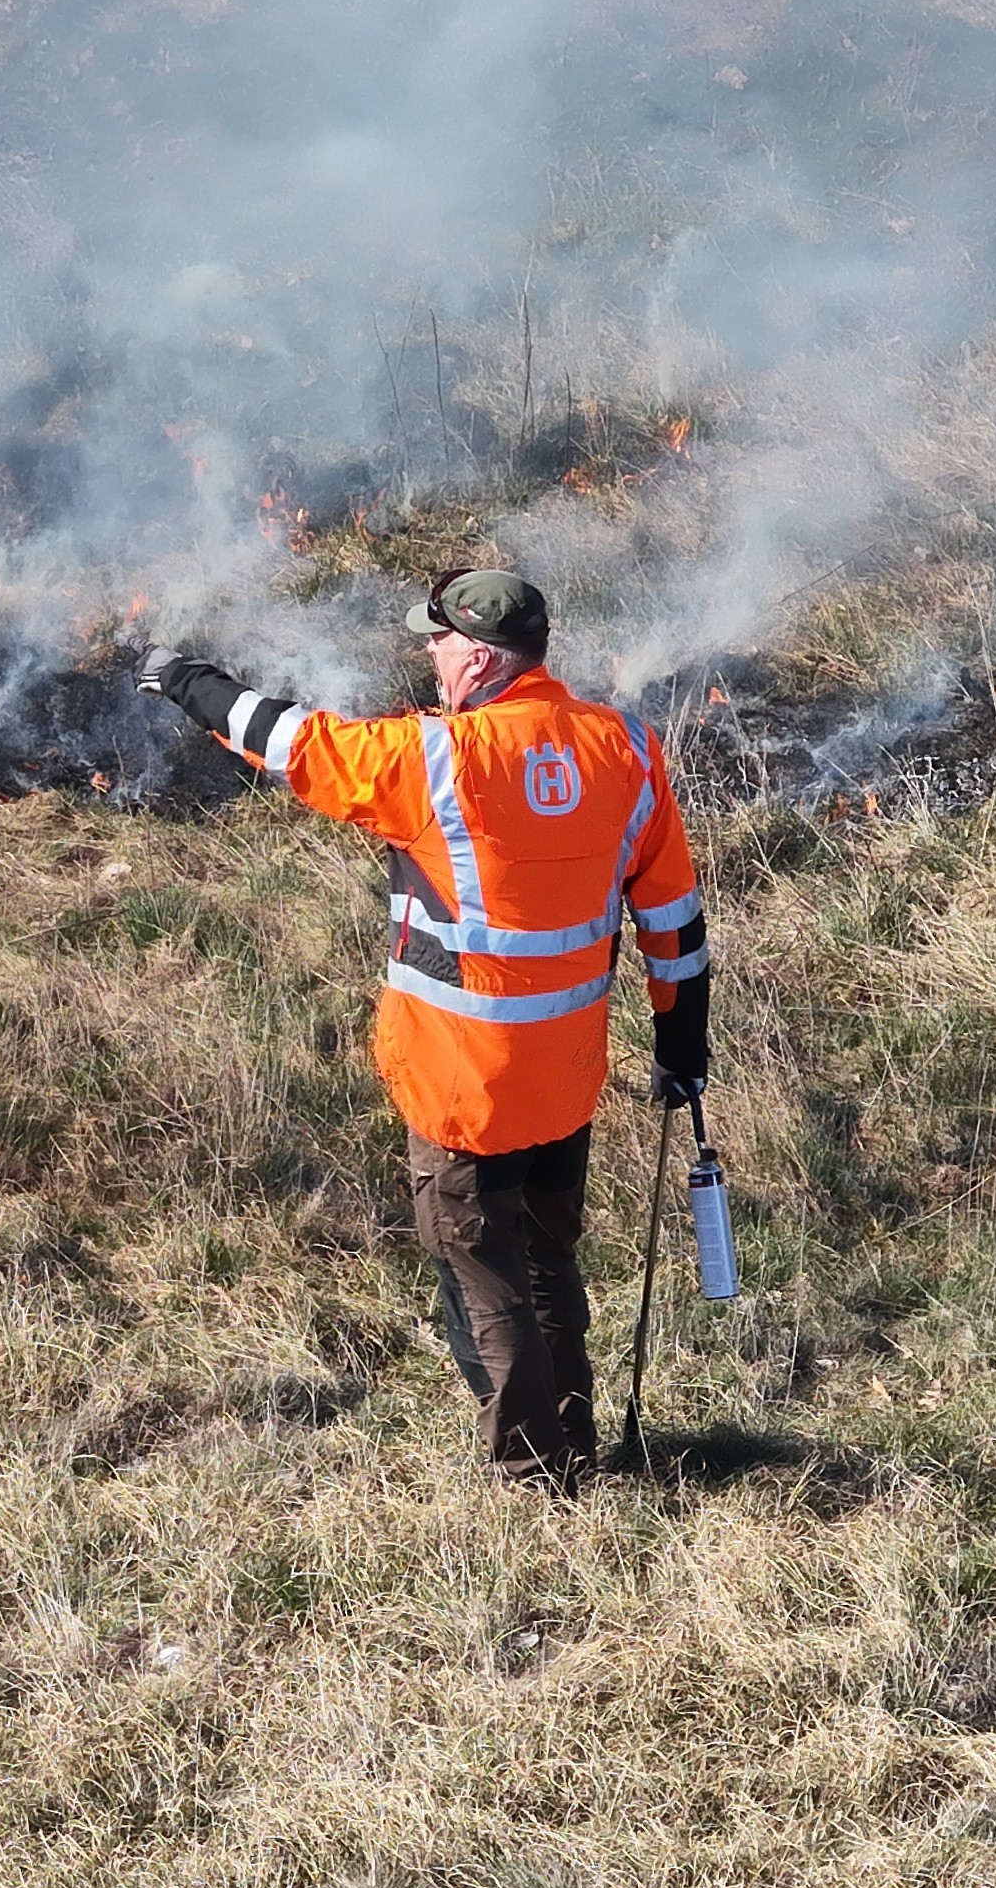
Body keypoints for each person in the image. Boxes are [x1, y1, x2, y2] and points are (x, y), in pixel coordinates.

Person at [140, 568, 709, 1490]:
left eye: (438, 643)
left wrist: (183, 678)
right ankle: (573, 1443)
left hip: (461, 1084)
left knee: (483, 1277)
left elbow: (288, 742)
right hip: (565, 1075)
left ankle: (532, 1483)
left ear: (479, 658)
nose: (429, 657)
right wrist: (685, 1046)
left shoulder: (436, 759)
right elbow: (674, 922)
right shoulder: (629, 750)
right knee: (549, 1259)